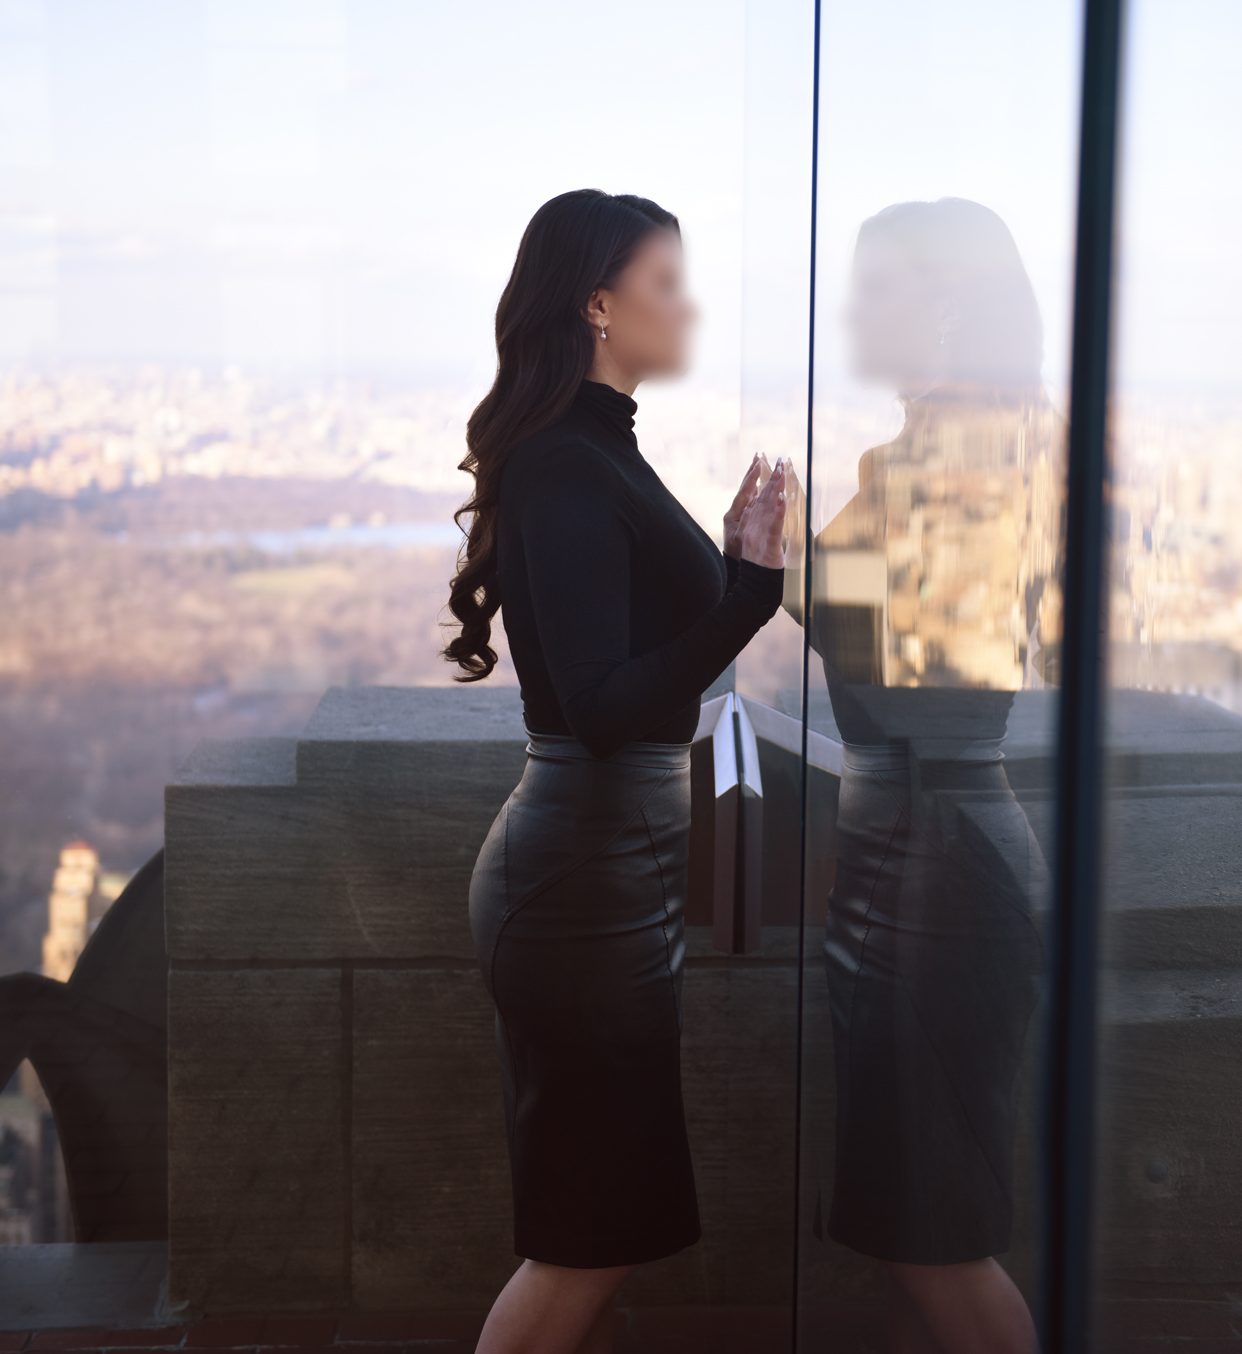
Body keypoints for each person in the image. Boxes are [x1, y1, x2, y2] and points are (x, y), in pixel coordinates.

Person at [447, 188, 788, 1354]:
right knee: (587, 1236)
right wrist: (746, 594)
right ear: (599, 304)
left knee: (603, 1224)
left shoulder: (595, 451)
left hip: (602, 880)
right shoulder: (567, 467)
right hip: (579, 884)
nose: (685, 303)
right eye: (664, 281)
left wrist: (736, 565)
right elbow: (601, 707)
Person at [790, 197, 1059, 1354]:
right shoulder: (968, 445)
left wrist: (791, 564)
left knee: (930, 1232)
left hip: (934, 868)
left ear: (945, 304)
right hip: (919, 857)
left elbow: (910, 684)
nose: (851, 310)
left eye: (876, 286)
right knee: (915, 1222)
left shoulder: (959, 458)